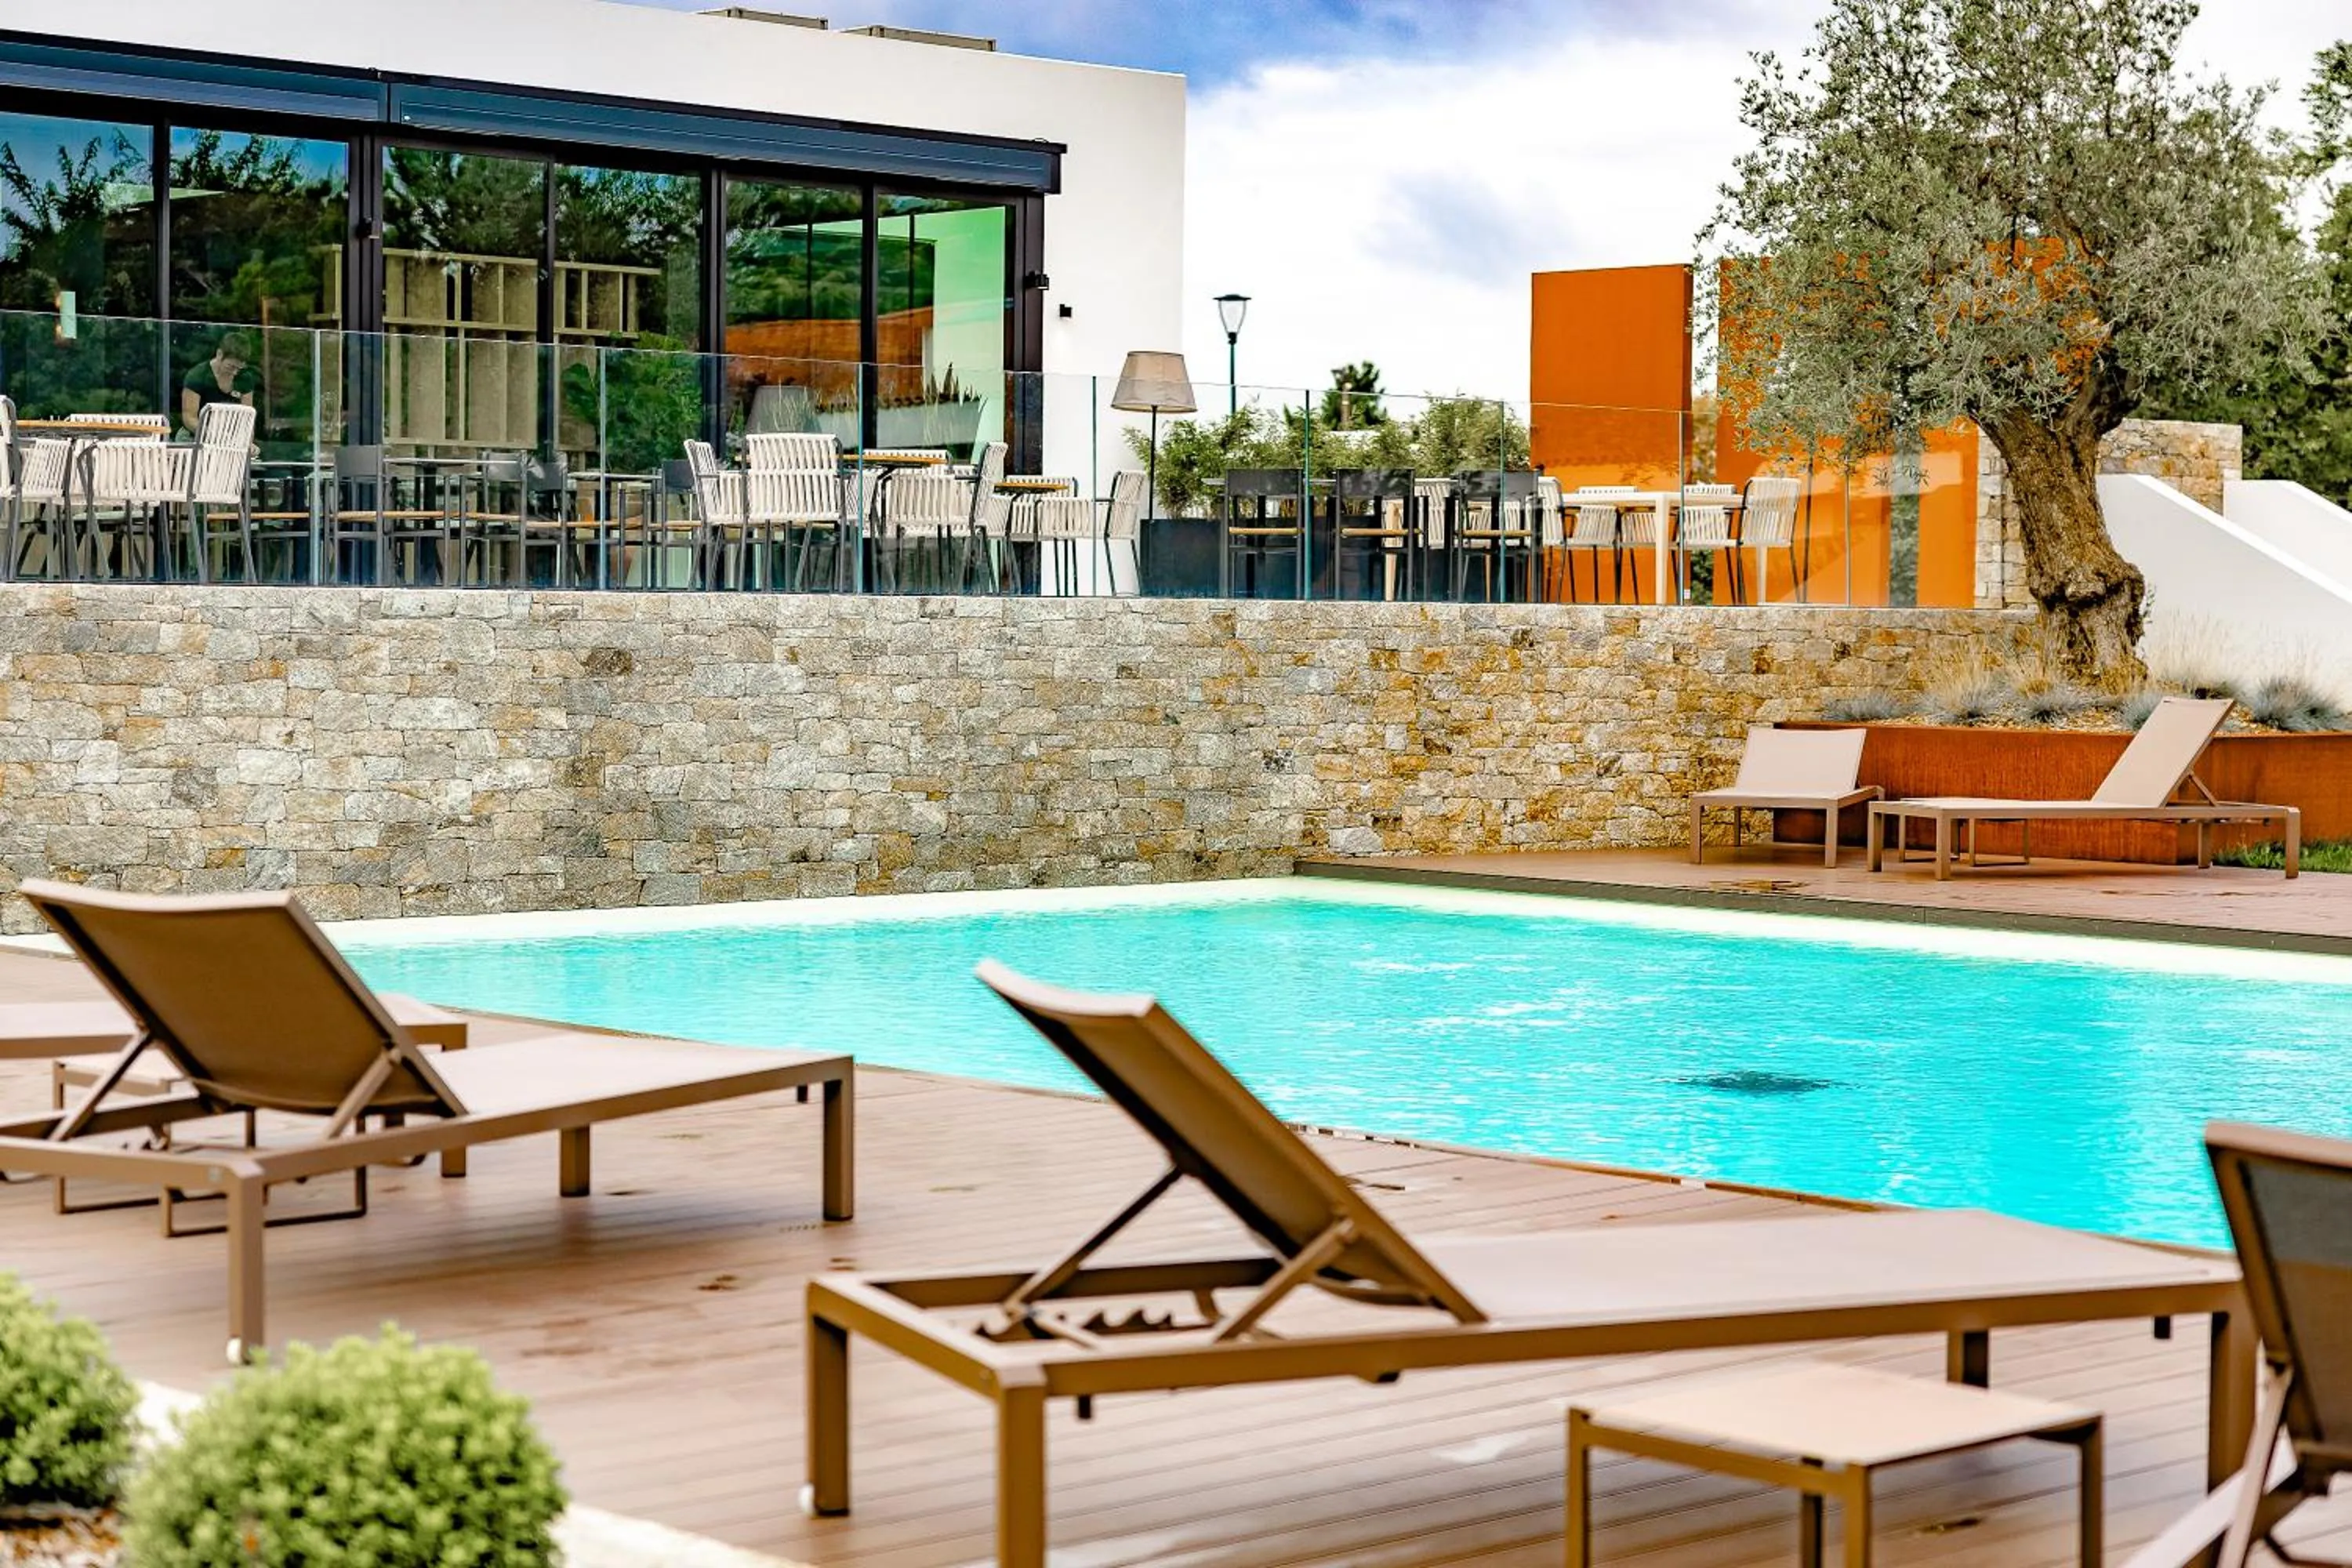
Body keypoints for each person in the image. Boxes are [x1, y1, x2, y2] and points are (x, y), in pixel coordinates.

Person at [180, 331, 258, 434]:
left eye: (239, 368)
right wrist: (212, 436)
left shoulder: (245, 378)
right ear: (219, 354)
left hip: (228, 437)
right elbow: (189, 418)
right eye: (231, 367)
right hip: (195, 435)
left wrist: (247, 442)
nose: (235, 372)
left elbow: (247, 420)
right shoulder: (198, 376)